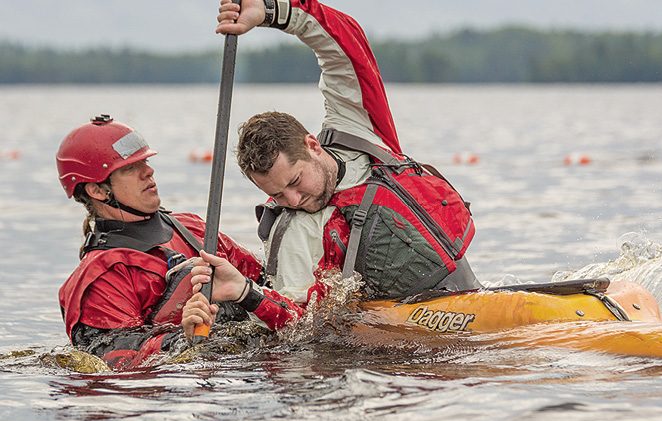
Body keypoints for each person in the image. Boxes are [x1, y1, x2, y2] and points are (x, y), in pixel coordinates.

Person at [186, 0, 481, 331]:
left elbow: (344, 43)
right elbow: (293, 326)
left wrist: (269, 11)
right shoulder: (292, 233)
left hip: (469, 295)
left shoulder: (358, 132)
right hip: (395, 340)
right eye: (278, 195)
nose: (294, 201)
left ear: (313, 146)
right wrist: (245, 294)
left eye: (296, 181)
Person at [56, 114, 264, 370]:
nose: (149, 171)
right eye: (131, 168)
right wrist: (183, 337)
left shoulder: (192, 227)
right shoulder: (100, 277)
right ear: (98, 191)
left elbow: (265, 280)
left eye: (144, 161)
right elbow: (113, 356)